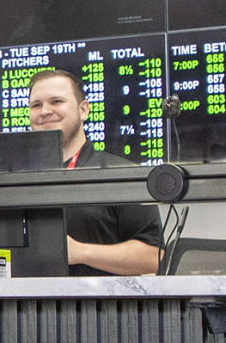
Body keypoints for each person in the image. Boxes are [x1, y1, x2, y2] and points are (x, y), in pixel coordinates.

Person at [24, 67, 162, 276]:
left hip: (100, 306)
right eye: (36, 105)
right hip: (20, 305)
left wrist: (79, 252)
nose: (44, 111)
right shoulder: (14, 179)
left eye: (56, 101)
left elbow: (154, 258)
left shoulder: (120, 174)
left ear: (83, 110)